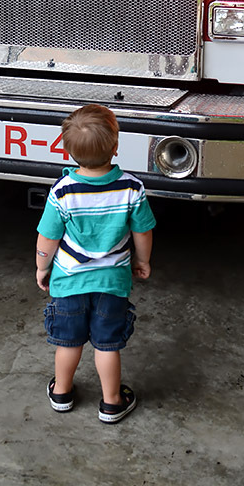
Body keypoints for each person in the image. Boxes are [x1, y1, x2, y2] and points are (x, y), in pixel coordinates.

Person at [35, 103, 155, 423]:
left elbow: (47, 240)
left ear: (66, 150)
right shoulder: (132, 188)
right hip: (112, 283)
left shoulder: (63, 191)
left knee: (69, 340)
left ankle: (61, 392)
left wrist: (42, 267)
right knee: (106, 344)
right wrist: (142, 262)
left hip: (69, 280)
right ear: (116, 147)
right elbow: (143, 231)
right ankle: (112, 402)